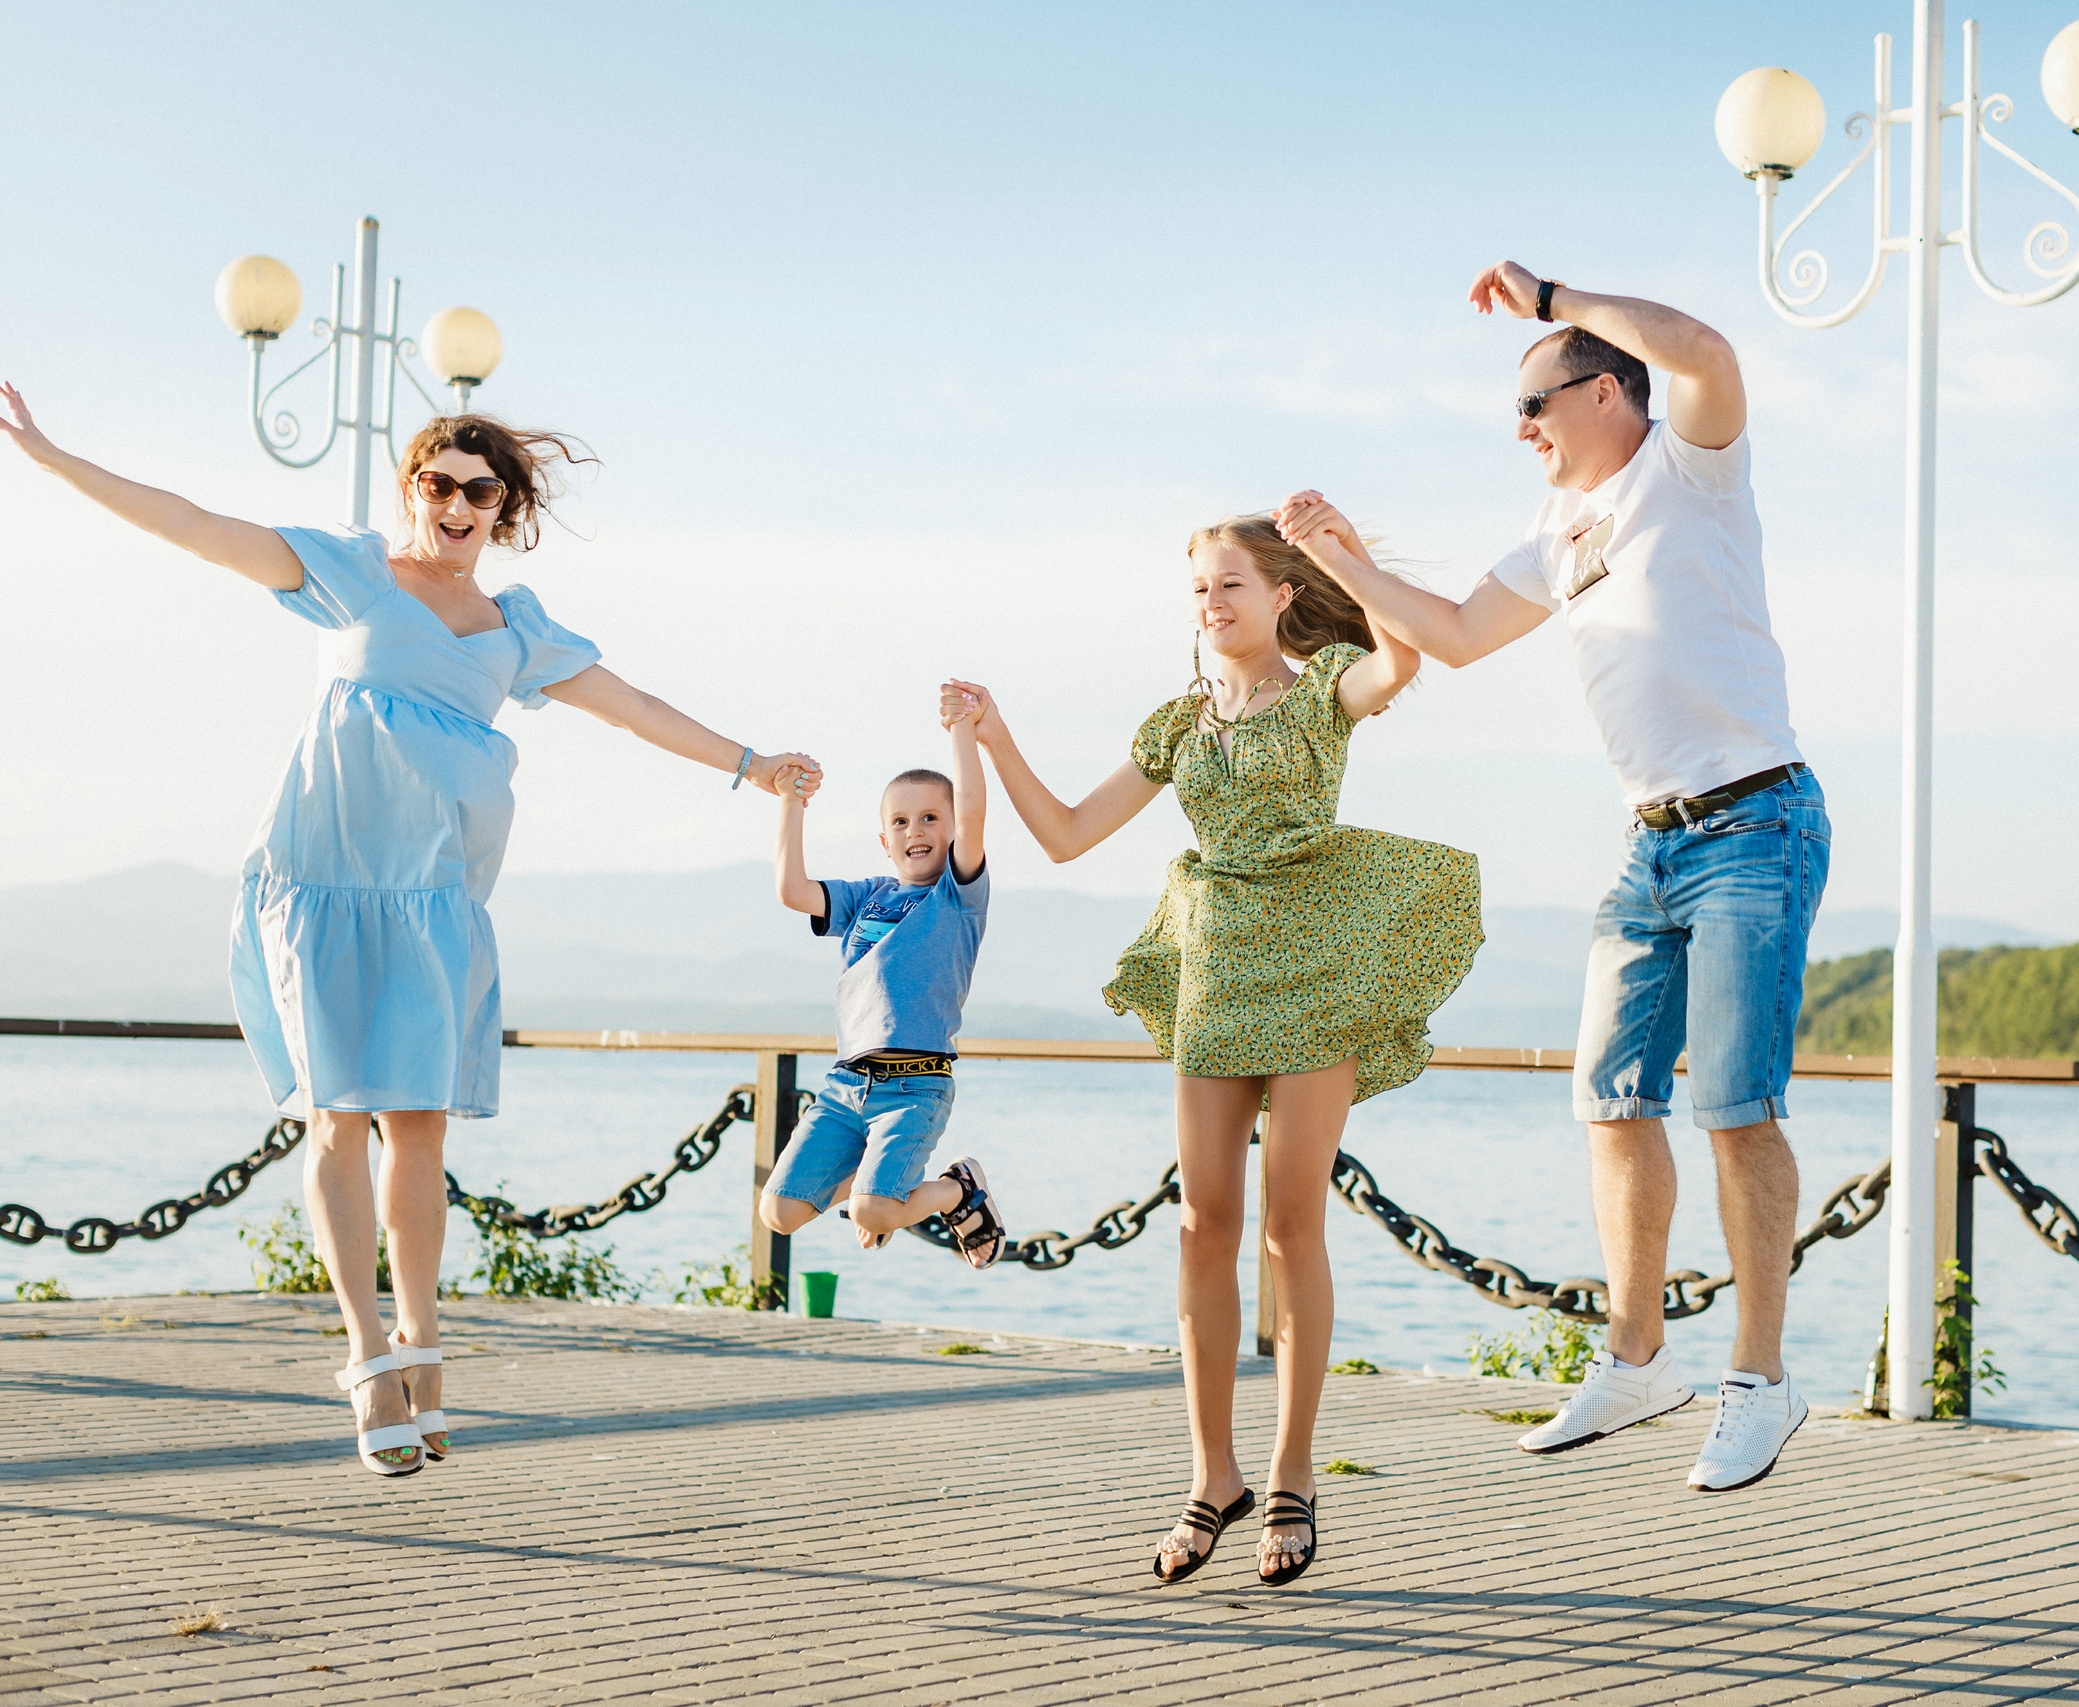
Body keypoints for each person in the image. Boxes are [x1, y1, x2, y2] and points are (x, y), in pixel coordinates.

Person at [0, 387, 821, 1478]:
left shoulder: (515, 631)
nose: (456, 503)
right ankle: (366, 1354)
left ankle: (422, 1341)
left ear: (502, 511)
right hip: (323, 883)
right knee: (336, 1123)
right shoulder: (352, 576)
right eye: (439, 483)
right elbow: (191, 523)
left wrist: (749, 764)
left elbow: (631, 706)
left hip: (431, 899)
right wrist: (55, 456)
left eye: (480, 491)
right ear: (412, 490)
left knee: (421, 1131)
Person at [1273, 260, 1830, 1494]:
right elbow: (1457, 637)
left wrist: (1553, 298)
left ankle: (1760, 1378)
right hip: (1651, 841)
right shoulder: (1553, 532)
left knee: (1734, 1107)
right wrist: (1342, 557)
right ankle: (1639, 1361)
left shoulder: (1689, 466)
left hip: (1756, 822)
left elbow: (1704, 344)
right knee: (1610, 1094)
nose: (1518, 430)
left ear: (1606, 393)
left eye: (1535, 403)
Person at [942, 512, 1481, 1586]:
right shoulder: (1177, 723)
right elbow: (1060, 835)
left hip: (1316, 962)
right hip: (1215, 972)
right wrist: (992, 738)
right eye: (1199, 588)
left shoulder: (1326, 684)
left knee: (1290, 1223)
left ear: (1282, 594)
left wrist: (1346, 558)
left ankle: (1292, 1474)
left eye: (1230, 583)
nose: (1210, 602)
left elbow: (1403, 660)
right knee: (1201, 1226)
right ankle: (1212, 1475)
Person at [755, 706, 1003, 1267]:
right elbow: (793, 890)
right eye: (900, 822)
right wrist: (792, 802)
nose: (915, 830)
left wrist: (961, 728)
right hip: (846, 1087)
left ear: (954, 829)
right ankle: (880, 1195)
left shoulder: (958, 898)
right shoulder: (865, 896)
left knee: (870, 1212)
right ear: (884, 840)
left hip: (915, 1087)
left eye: (930, 818)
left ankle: (958, 1188)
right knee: (779, 1212)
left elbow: (974, 808)